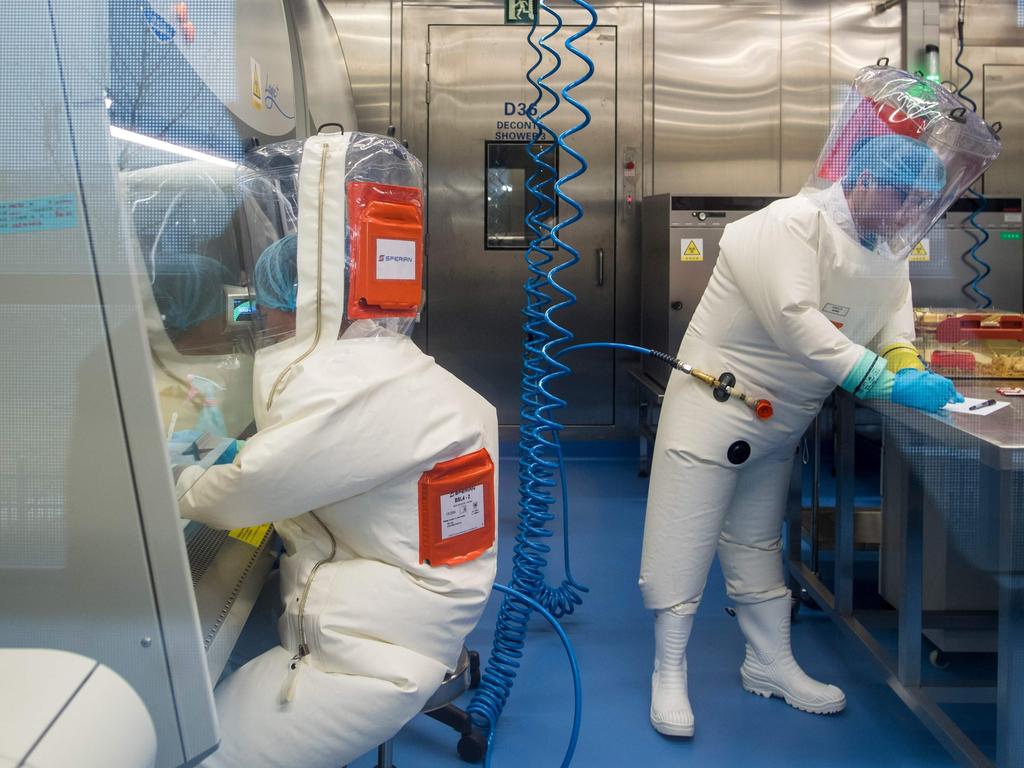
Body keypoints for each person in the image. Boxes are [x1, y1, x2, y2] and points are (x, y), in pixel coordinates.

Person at [639, 65, 1001, 737]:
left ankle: (768, 663)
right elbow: (796, 322)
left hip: (781, 424)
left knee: (755, 542)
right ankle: (668, 673)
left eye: (916, 206)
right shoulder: (783, 227)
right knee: (681, 540)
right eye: (898, 201)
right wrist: (881, 380)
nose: (905, 218)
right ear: (862, 181)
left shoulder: (886, 246)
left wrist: (902, 361)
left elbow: (893, 320)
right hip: (713, 409)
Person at [176, 132, 499, 767]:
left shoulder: (355, 393)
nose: (264, 325)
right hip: (402, 620)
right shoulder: (396, 369)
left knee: (200, 750)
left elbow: (243, 491)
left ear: (309, 303)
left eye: (269, 312)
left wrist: (171, 478)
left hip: (376, 652)